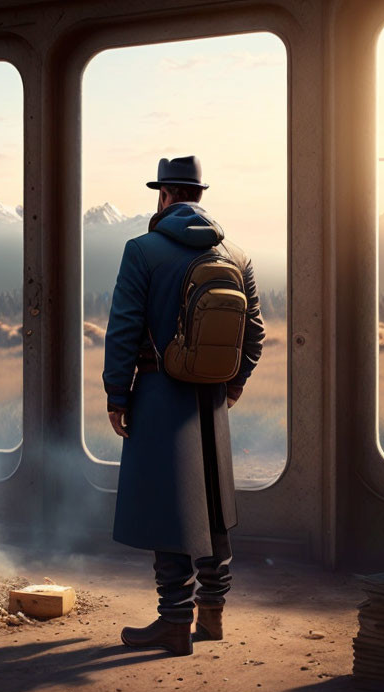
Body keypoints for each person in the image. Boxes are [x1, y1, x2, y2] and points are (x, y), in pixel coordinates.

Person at [102, 155, 265, 656]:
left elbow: (124, 329)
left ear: (165, 196)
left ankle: (174, 621)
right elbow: (254, 335)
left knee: (166, 506)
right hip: (211, 399)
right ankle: (212, 615)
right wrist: (231, 386)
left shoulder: (142, 250)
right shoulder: (237, 255)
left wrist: (117, 395)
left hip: (157, 392)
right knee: (213, 504)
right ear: (198, 195)